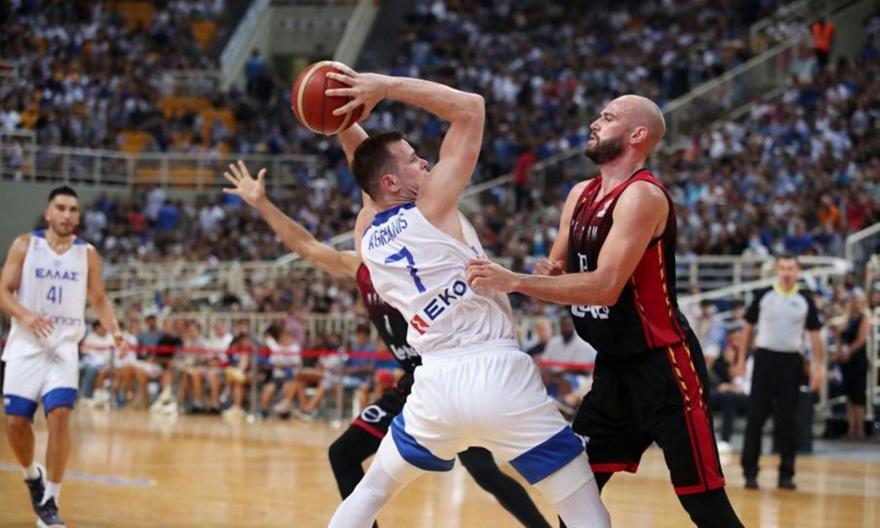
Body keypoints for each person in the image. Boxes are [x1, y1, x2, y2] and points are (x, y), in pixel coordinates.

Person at [313, 64, 608, 527]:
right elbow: (470, 108)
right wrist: (384, 87)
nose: (425, 164)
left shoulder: (366, 235)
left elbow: (369, 169)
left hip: (435, 387)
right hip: (497, 373)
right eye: (414, 159)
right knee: (583, 508)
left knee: (369, 491)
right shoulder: (432, 208)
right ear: (392, 184)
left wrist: (343, 117)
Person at [222, 120, 554, 527]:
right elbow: (306, 245)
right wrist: (262, 203)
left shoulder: (413, 244)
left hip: (449, 370)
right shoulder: (360, 266)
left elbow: (369, 164)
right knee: (344, 454)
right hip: (415, 382)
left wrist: (344, 120)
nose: (364, 218)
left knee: (485, 472)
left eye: (370, 209)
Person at [466, 95, 743, 527]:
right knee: (576, 497)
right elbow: (557, 266)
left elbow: (605, 288)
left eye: (608, 117)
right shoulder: (580, 194)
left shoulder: (642, 196)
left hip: (664, 368)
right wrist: (546, 272)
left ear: (637, 135)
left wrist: (516, 281)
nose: (595, 123)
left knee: (705, 505)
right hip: (612, 368)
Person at [1, 186, 128, 528]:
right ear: (48, 213)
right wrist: (26, 315)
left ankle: (51, 501)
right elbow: (3, 291)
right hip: (26, 346)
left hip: (64, 348)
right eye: (60, 208)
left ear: (79, 217)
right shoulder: (25, 245)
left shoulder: (87, 254)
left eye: (73, 209)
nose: (67, 214)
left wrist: (115, 331)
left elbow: (98, 299)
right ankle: (32, 475)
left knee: (59, 417)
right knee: (15, 423)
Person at [735, 255, 824, 490]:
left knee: (788, 421)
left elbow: (815, 336)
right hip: (764, 360)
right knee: (755, 418)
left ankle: (786, 474)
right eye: (783, 268)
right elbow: (747, 328)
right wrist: (741, 360)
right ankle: (750, 472)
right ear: (777, 270)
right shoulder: (763, 295)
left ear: (797, 271)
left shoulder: (805, 300)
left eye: (790, 268)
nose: (786, 272)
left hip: (791, 363)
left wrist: (818, 368)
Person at [833, 291, 869, 441]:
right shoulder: (846, 319)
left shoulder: (864, 318)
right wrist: (840, 351)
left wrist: (848, 352)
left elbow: (861, 340)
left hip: (858, 361)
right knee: (849, 397)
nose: (855, 304)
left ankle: (860, 430)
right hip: (846, 362)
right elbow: (839, 335)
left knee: (858, 396)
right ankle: (851, 428)